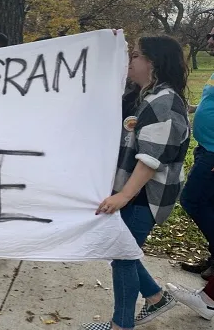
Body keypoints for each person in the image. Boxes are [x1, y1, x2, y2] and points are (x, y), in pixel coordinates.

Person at [81, 35, 191, 330]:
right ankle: (155, 297)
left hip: (145, 195)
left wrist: (124, 196)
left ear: (153, 64)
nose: (130, 62)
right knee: (123, 251)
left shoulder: (164, 102)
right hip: (134, 191)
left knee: (122, 258)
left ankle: (121, 325)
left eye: (136, 56)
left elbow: (149, 161)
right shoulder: (148, 96)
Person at [178, 28, 214, 281]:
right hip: (205, 148)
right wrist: (190, 107)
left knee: (192, 200)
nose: (209, 40)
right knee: (209, 204)